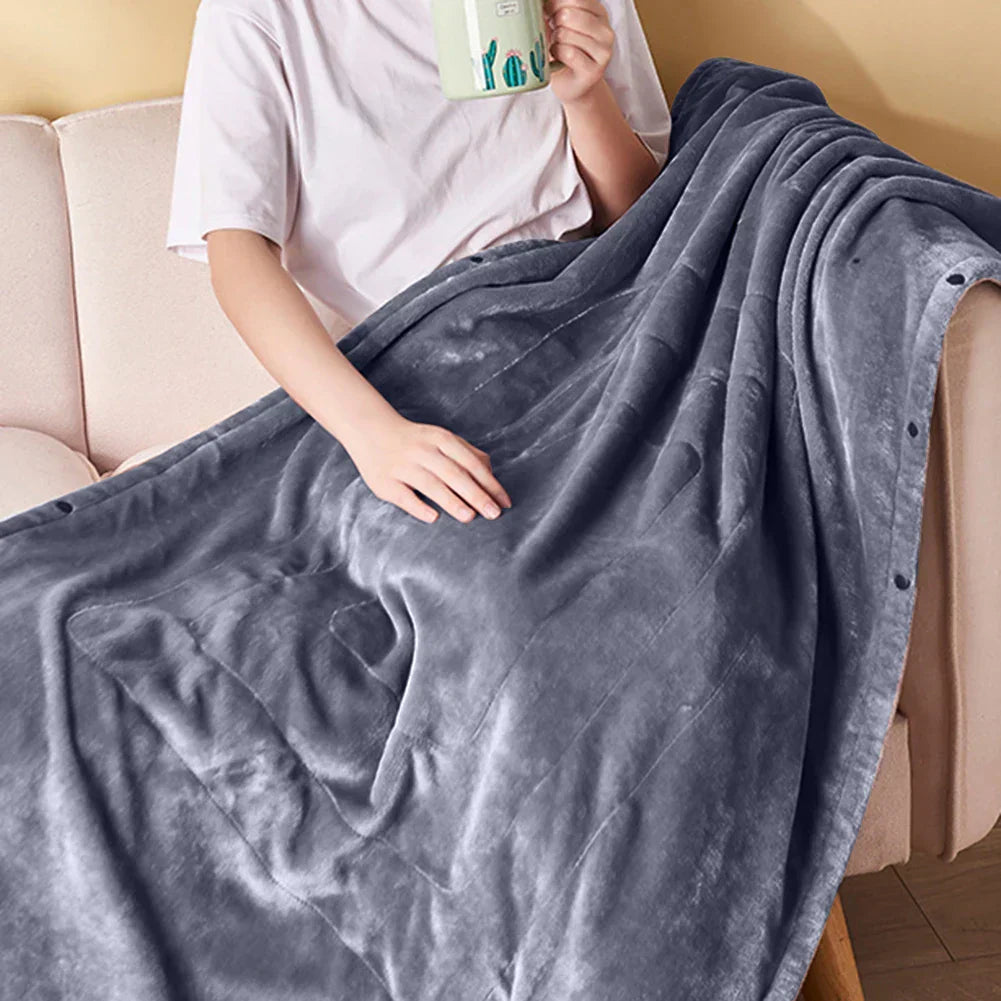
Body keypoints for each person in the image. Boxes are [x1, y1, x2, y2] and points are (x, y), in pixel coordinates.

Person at [165, 0, 673, 525]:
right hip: (440, 355)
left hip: (604, 309)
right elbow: (238, 251)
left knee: (734, 119)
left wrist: (585, 96)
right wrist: (373, 434)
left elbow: (641, 219)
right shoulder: (256, 15)